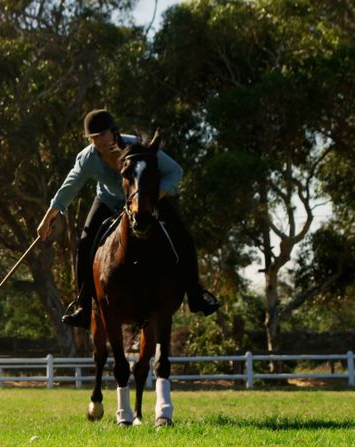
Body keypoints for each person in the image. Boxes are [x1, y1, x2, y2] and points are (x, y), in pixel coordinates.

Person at [36, 108, 220, 327]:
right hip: (107, 200)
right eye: (93, 138)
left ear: (114, 132)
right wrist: (49, 216)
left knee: (183, 236)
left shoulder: (140, 147)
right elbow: (70, 187)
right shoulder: (88, 158)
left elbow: (175, 172)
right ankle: (83, 306)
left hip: (147, 200)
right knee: (85, 244)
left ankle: (196, 296)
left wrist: (152, 196)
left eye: (101, 135)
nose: (98, 142)